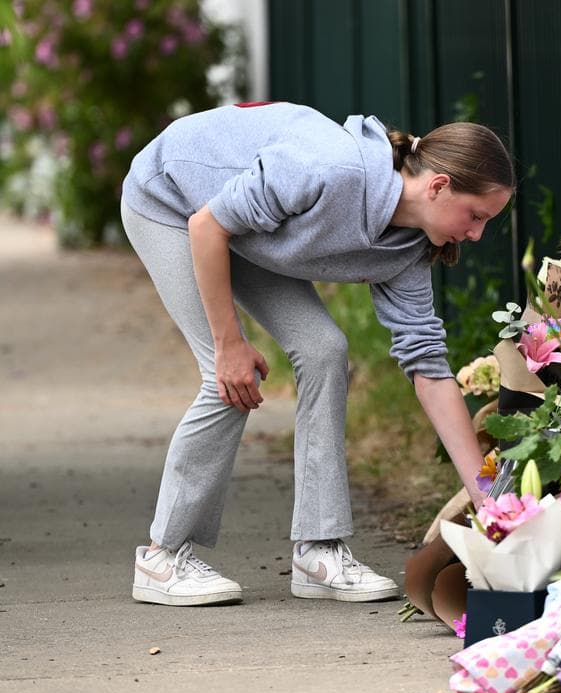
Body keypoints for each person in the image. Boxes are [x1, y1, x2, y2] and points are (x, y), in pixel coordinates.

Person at [120, 101, 513, 606]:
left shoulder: (409, 247)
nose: (477, 234)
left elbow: (428, 367)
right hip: (173, 203)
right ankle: (162, 556)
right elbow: (208, 226)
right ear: (437, 186)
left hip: (244, 232)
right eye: (476, 216)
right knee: (229, 380)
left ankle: (318, 550)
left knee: (325, 350)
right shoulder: (331, 170)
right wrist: (229, 344)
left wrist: (485, 495)